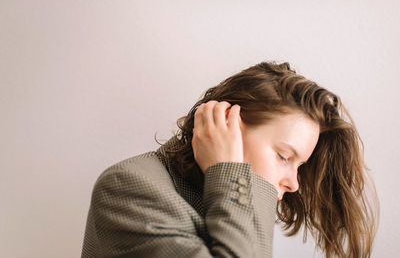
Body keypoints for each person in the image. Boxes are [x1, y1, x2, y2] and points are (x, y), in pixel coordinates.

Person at [81, 61, 379, 258]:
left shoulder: (226, 199)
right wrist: (228, 170)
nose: (293, 183)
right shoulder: (129, 188)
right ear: (227, 126)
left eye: (299, 166)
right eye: (283, 156)